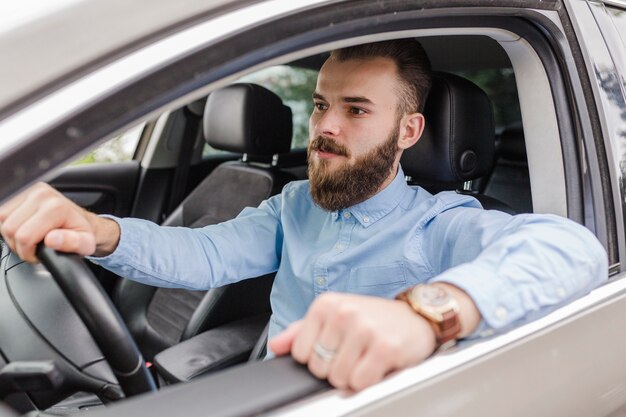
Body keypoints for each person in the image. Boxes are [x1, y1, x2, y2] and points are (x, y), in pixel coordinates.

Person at [0, 39, 607, 392]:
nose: (325, 128)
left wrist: (428, 314)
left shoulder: (439, 223)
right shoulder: (294, 204)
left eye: (356, 110)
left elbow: (572, 248)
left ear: (408, 131)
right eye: (320, 106)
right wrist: (100, 233)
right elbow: (207, 254)